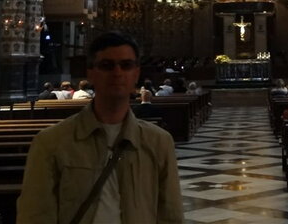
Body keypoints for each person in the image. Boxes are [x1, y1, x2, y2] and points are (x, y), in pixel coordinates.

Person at [16, 30, 183, 223]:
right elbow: (35, 216)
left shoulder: (159, 142)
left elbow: (171, 216)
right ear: (91, 73)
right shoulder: (50, 143)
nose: (117, 73)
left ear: (136, 73)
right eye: (107, 65)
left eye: (126, 65)